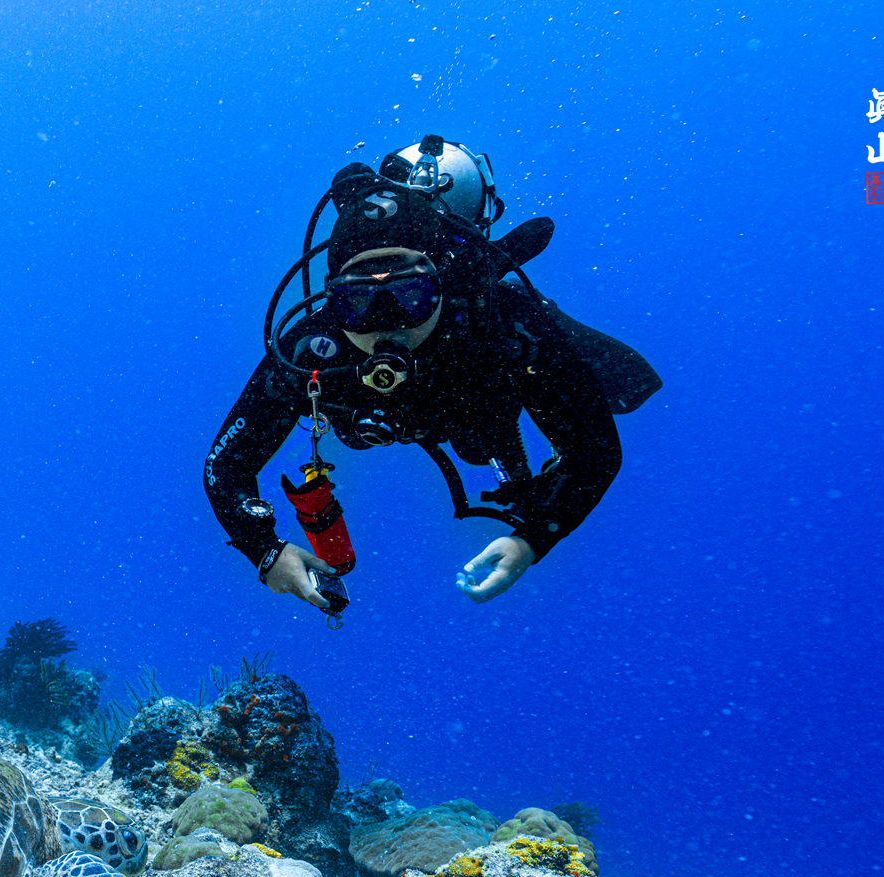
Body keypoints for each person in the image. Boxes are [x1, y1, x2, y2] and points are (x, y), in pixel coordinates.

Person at [203, 135, 660, 614]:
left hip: (474, 397)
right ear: (332, 302)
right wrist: (265, 550)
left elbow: (595, 452)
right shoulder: (312, 348)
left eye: (409, 295)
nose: (387, 323)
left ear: (442, 285)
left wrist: (531, 539)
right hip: (392, 407)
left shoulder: (499, 323)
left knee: (488, 434)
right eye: (357, 302)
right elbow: (225, 466)